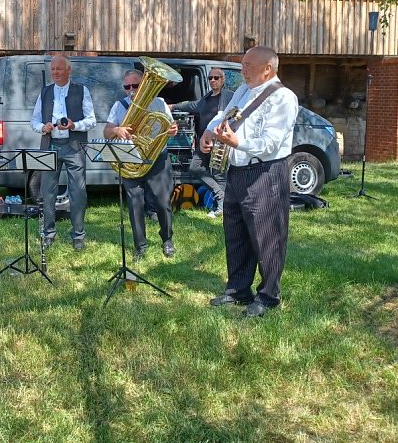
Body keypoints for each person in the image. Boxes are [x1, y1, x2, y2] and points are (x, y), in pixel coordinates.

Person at [201, 46, 298, 318]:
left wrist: (237, 142)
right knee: (236, 233)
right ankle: (238, 290)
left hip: (265, 172)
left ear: (268, 68)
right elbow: (226, 116)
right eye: (242, 64)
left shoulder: (284, 98)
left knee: (267, 237)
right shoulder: (244, 90)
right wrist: (208, 132)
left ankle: (269, 295)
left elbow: (271, 143)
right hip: (237, 171)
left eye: (248, 65)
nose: (242, 70)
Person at [104, 69, 178, 260]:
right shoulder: (119, 106)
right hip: (130, 160)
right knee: (135, 203)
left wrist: (173, 130)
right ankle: (140, 246)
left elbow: (170, 126)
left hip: (156, 158)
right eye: (127, 87)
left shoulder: (159, 102)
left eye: (135, 86)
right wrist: (117, 129)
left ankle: (167, 240)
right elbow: (106, 131)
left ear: (144, 84)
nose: (131, 90)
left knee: (162, 202)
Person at [30, 55, 96, 250]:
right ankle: (48, 234)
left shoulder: (81, 90)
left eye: (59, 69)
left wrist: (75, 125)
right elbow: (34, 121)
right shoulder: (45, 92)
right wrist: (43, 127)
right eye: (53, 69)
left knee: (78, 192)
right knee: (47, 192)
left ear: (69, 70)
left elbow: (92, 120)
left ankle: (78, 236)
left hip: (74, 146)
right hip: (50, 144)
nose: (55, 73)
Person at [172, 67, 235, 217]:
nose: (213, 80)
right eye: (210, 78)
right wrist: (172, 106)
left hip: (220, 142)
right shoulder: (206, 98)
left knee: (219, 175)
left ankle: (221, 208)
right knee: (195, 168)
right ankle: (220, 196)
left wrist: (216, 137)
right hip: (203, 143)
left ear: (223, 80)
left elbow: (227, 117)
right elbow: (191, 105)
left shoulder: (228, 96)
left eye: (216, 77)